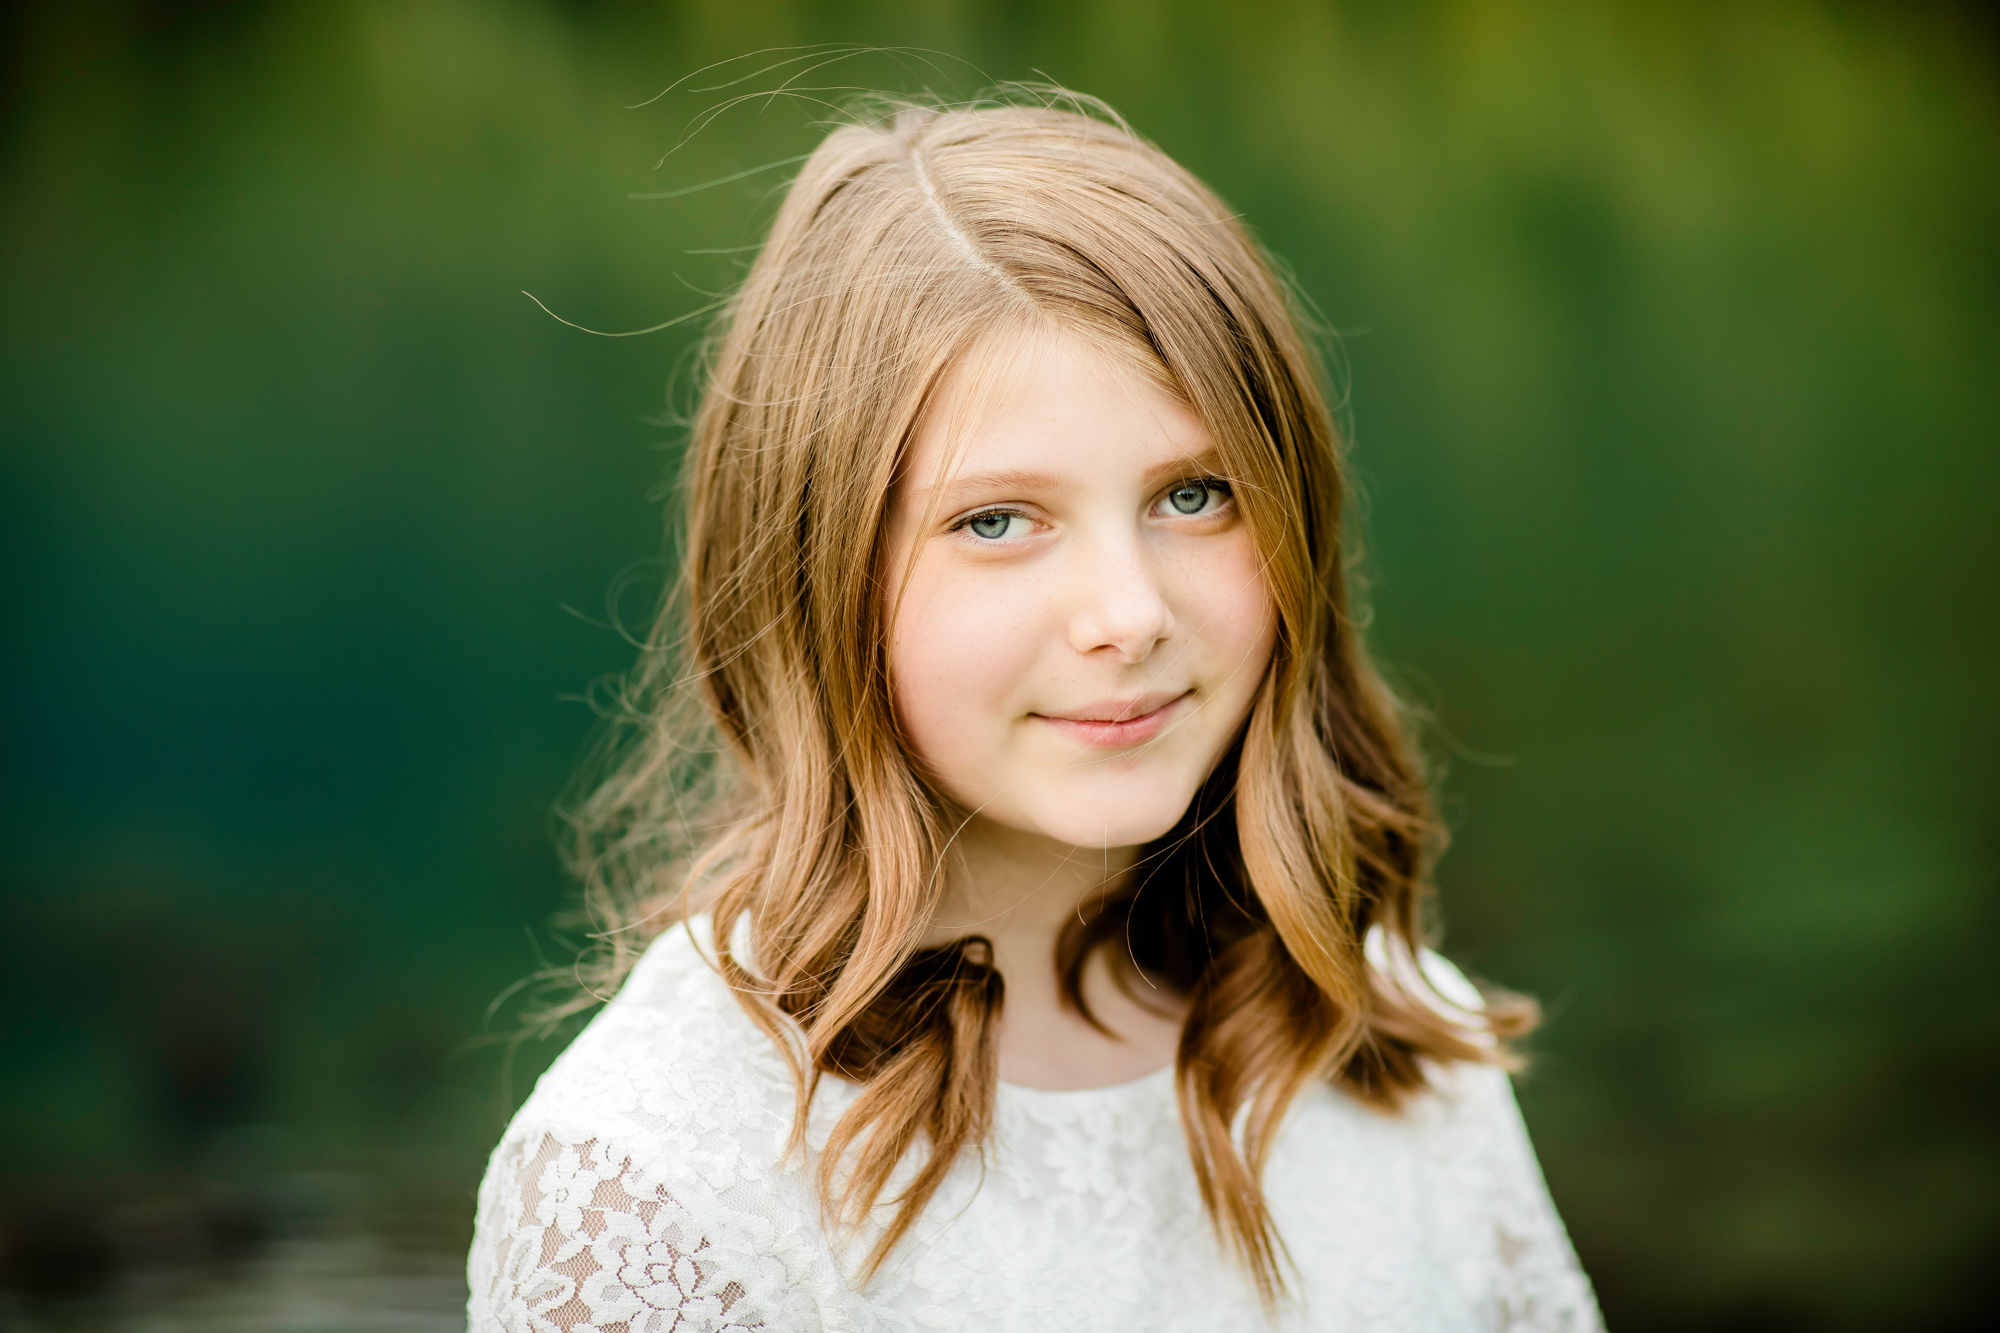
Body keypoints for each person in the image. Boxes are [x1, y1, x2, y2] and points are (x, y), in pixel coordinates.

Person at [467, 92, 1603, 1332]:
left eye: (1195, 494)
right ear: (814, 578)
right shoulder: (652, 1187)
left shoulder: (1383, 1023)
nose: (1127, 613)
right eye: (996, 521)